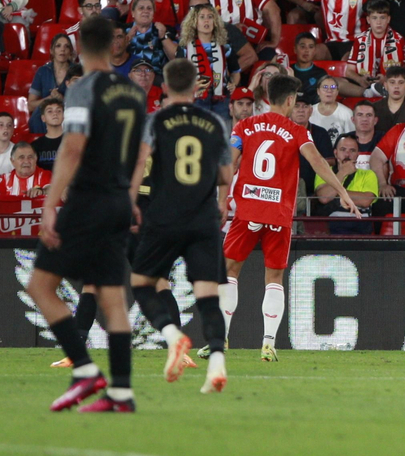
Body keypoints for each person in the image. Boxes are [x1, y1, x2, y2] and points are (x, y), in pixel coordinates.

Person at [30, 15, 148, 413]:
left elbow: (74, 147)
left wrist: (50, 203)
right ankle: (121, 393)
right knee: (113, 297)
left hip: (88, 198)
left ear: (80, 45)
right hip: (117, 199)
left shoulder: (83, 89)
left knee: (41, 286)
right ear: (113, 45)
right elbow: (139, 153)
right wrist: (129, 197)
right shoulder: (132, 91)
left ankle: (84, 370)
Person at [218, 73, 360, 361]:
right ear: (291, 100)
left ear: (267, 97)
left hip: (247, 211)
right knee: (274, 277)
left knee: (229, 272)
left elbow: (229, 163)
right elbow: (317, 161)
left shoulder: (245, 126)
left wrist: (222, 201)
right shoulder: (297, 131)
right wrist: (341, 191)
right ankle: (268, 341)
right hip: (279, 215)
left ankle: (220, 338)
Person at [129, 57, 233, 394]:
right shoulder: (215, 122)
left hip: (164, 215)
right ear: (195, 87)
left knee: (142, 283)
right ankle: (216, 363)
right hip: (203, 218)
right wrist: (219, 199)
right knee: (208, 297)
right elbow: (225, 175)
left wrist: (130, 201)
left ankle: (173, 335)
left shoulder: (155, 121)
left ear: (165, 87)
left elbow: (142, 161)